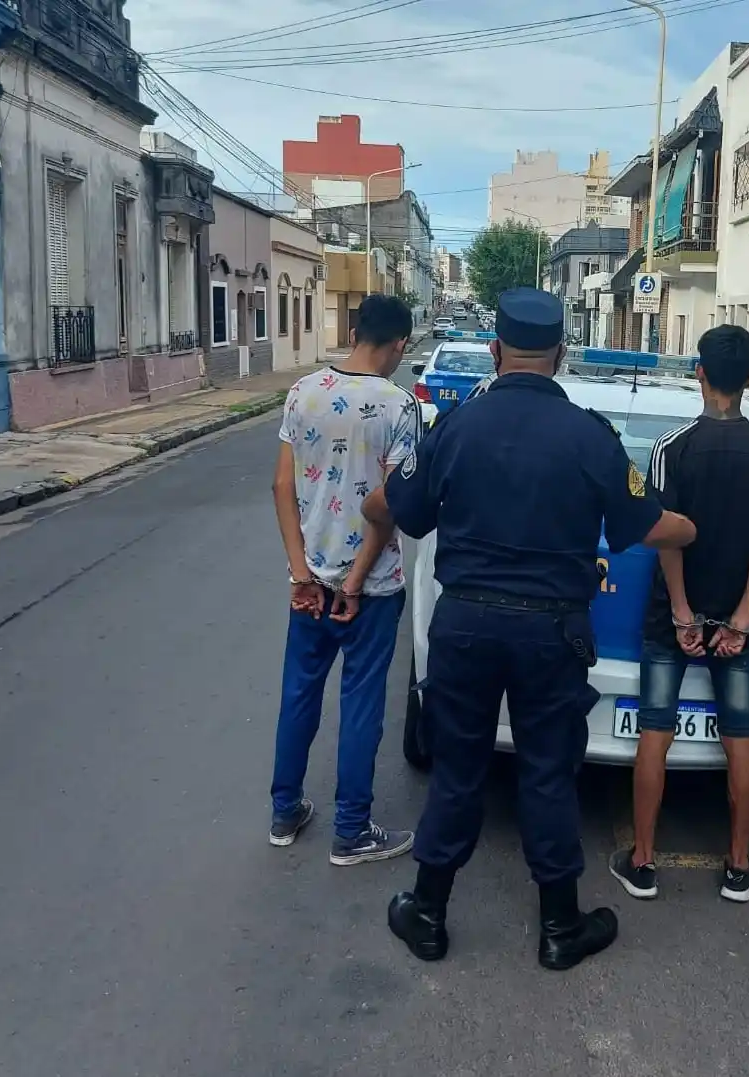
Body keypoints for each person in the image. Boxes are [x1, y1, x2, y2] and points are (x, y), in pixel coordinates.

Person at [362, 288, 696, 970]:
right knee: (547, 774)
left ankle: (427, 915)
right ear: (561, 355)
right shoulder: (590, 435)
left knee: (458, 769)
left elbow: (395, 509)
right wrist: (694, 528)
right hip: (551, 632)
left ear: (495, 351)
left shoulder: (457, 425)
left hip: (465, 626)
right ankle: (559, 927)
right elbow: (647, 525)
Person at [609, 324, 749, 905]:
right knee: (740, 737)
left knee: (655, 731)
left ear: (699, 373)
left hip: (673, 621)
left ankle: (642, 862)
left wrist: (684, 614)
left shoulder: (672, 449)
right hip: (737, 626)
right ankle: (738, 867)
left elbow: (669, 537)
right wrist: (740, 619)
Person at [269, 294, 421, 867]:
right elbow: (390, 503)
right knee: (361, 702)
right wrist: (355, 581)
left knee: (299, 693)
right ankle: (351, 831)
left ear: (354, 333)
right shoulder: (399, 406)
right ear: (400, 345)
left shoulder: (302, 392)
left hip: (309, 584)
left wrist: (300, 574)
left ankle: (285, 812)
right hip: (371, 589)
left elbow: (282, 487)